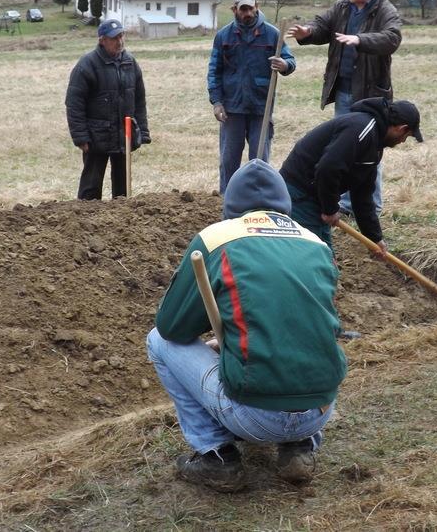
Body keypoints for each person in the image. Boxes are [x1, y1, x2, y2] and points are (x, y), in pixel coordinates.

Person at [146, 159, 347, 492]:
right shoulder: (316, 243)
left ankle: (216, 457)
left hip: (255, 417)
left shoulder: (216, 239)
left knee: (158, 341)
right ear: (286, 206)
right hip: (320, 409)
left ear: (231, 207)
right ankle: (300, 447)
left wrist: (218, 339)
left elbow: (171, 328)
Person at [288, 0, 402, 215]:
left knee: (369, 149)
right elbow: (322, 26)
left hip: (372, 95)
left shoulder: (385, 10)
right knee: (344, 147)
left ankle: (371, 205)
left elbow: (392, 38)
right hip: (343, 91)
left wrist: (360, 40)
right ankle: (347, 204)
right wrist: (307, 32)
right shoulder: (342, 8)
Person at [279, 98, 423, 253]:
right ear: (402, 128)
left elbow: (363, 195)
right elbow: (328, 168)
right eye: (406, 136)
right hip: (298, 192)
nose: (402, 141)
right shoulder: (361, 128)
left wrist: (374, 238)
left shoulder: (375, 146)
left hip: (317, 196)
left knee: (326, 258)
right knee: (312, 256)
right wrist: (330, 209)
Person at [208, 0, 296, 193]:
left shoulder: (272, 34)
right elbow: (214, 71)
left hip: (261, 108)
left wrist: (284, 65)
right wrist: (217, 102)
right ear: (234, 10)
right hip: (232, 108)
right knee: (229, 160)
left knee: (260, 161)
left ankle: (258, 199)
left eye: (250, 8)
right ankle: (227, 198)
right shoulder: (224, 36)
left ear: (257, 7)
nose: (247, 13)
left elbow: (290, 60)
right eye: (243, 9)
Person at [65, 19, 151, 200]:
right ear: (101, 40)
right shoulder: (87, 65)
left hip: (123, 136)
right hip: (96, 138)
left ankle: (120, 223)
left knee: (123, 190)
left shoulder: (130, 63)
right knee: (91, 187)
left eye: (121, 36)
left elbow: (139, 100)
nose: (119, 41)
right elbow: (74, 103)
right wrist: (80, 137)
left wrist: (142, 131)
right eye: (114, 38)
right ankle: (86, 220)